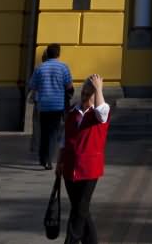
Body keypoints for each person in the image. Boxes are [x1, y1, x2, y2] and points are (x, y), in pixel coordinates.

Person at [56, 73, 110, 244]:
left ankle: (70, 241)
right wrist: (59, 162)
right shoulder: (72, 111)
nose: (85, 97)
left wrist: (99, 89)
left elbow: (101, 112)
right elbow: (64, 139)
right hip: (70, 168)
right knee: (81, 209)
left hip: (90, 169)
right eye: (84, 93)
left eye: (89, 94)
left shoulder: (101, 112)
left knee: (80, 209)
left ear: (96, 96)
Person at [28, 44, 74, 169]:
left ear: (47, 53)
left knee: (43, 132)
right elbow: (69, 86)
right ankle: (48, 159)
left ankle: (42, 158)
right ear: (58, 54)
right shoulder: (64, 67)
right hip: (57, 105)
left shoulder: (40, 68)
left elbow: (32, 85)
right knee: (53, 133)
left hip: (43, 105)